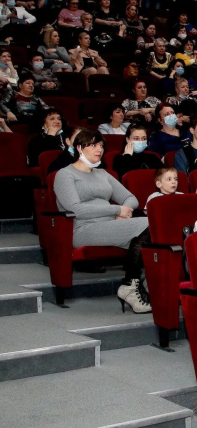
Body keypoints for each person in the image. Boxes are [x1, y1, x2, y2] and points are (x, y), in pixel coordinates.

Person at [53, 130, 150, 313]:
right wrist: (115, 210)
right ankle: (132, 284)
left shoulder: (103, 174)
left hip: (110, 225)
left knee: (150, 229)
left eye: (101, 145)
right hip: (83, 229)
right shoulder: (65, 175)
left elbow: (131, 198)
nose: (100, 149)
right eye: (94, 145)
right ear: (80, 148)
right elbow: (75, 209)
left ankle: (135, 284)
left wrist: (124, 211)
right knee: (150, 224)